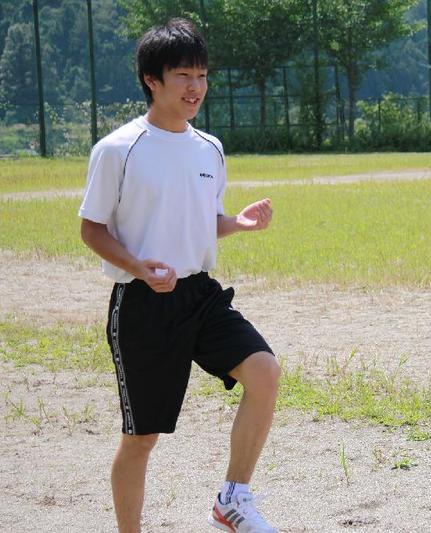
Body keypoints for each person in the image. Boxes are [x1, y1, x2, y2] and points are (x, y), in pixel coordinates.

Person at [78, 18, 281, 533]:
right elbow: (92, 228)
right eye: (184, 75)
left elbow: (204, 221)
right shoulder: (119, 149)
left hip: (200, 294)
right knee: (141, 438)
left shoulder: (209, 147)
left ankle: (232, 500)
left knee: (264, 373)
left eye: (202, 75)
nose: (196, 87)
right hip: (142, 302)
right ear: (153, 80)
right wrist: (138, 267)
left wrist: (237, 223)